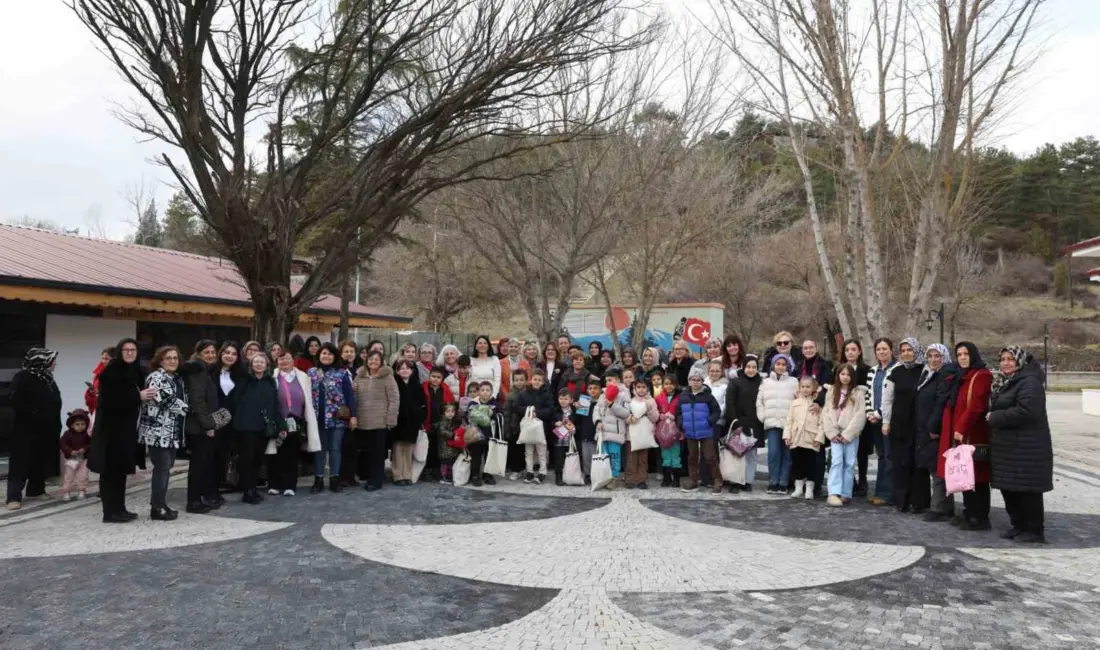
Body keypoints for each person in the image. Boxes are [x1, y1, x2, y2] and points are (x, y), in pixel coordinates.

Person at [988, 346, 1053, 543]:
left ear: (1020, 361)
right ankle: (1019, 525)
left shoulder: (1030, 382)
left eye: (1011, 359)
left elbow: (1027, 411)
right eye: (1003, 359)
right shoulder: (1006, 381)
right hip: (1009, 447)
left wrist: (995, 417)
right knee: (1010, 488)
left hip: (1027, 448)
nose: (1006, 363)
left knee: (1027, 490)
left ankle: (1034, 530)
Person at [89, 338, 153, 523]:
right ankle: (110, 512)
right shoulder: (110, 372)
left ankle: (120, 508)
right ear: (119, 352)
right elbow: (111, 401)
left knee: (121, 471)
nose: (130, 353)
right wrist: (137, 396)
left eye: (133, 350)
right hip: (110, 431)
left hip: (126, 430)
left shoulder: (135, 370)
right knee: (110, 472)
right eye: (126, 350)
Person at [936, 342, 994, 531]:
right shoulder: (961, 376)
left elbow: (976, 405)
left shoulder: (982, 375)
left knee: (978, 477)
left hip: (973, 433)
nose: (962, 357)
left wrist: (961, 427)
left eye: (966, 354)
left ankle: (980, 517)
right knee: (965, 474)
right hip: (960, 434)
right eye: (959, 354)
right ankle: (970, 512)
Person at [5, 348, 62, 510]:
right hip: (26, 429)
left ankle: (36, 490)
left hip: (46, 429)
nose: (55, 364)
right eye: (52, 361)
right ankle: (13, 496)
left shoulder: (47, 378)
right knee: (20, 462)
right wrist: (35, 413)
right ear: (41, 362)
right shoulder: (23, 377)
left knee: (40, 460)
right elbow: (15, 400)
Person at [138, 346, 189, 520]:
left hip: (170, 432)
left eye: (175, 358)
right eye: (168, 358)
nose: (173, 361)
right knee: (162, 467)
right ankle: (157, 508)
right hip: (156, 431)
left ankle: (159, 504)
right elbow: (164, 400)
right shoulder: (156, 377)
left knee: (166, 467)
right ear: (160, 360)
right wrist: (189, 409)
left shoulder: (175, 378)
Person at [232, 353, 286, 504]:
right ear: (251, 364)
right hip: (245, 425)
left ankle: (253, 488)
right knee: (247, 459)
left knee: (257, 459)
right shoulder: (244, 380)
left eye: (262, 362)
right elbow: (236, 401)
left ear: (267, 365)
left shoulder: (270, 382)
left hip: (263, 426)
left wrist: (281, 425)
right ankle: (246, 491)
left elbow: (275, 404)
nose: (259, 364)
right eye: (256, 361)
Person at [881, 338, 927, 513]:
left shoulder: (925, 370)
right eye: (903, 350)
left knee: (917, 463)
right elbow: (887, 399)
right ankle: (901, 500)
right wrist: (886, 421)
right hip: (899, 424)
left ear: (917, 351)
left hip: (918, 425)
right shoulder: (895, 371)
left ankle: (918, 501)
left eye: (910, 350)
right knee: (900, 462)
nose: (907, 353)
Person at [269, 350, 321, 496]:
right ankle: (275, 484)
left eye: (287, 358)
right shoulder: (272, 376)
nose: (284, 361)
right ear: (277, 361)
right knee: (275, 452)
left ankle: (290, 485)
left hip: (296, 419)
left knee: (292, 453)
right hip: (278, 419)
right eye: (281, 359)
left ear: (293, 360)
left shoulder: (303, 377)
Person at [309, 343, 357, 493]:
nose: (326, 356)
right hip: (317, 417)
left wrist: (353, 416)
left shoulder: (342, 373)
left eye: (330, 354)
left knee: (335, 448)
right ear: (319, 355)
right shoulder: (311, 373)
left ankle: (335, 479)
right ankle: (318, 479)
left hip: (338, 417)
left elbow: (349, 395)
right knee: (320, 449)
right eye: (324, 353)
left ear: (335, 356)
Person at [181, 340, 220, 514]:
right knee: (198, 465)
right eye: (207, 352)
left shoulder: (206, 369)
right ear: (198, 353)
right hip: (198, 426)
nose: (211, 355)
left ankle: (199, 498)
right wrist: (208, 425)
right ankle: (194, 502)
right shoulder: (197, 370)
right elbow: (197, 401)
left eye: (213, 352)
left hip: (202, 424)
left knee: (203, 464)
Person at [917, 344, 954, 522]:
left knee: (938, 468)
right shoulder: (929, 374)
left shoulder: (944, 375)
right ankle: (944, 506)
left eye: (937, 356)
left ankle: (939, 508)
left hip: (937, 429)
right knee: (935, 467)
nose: (933, 360)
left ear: (944, 357)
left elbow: (940, 402)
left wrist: (933, 427)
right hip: (927, 427)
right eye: (930, 356)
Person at [352, 351, 399, 491]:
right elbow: (353, 396)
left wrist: (391, 418)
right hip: (362, 421)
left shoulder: (388, 377)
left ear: (381, 361)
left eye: (377, 359)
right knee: (365, 452)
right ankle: (366, 476)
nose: (373, 361)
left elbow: (394, 399)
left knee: (377, 453)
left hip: (380, 421)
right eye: (371, 359)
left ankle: (376, 480)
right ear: (366, 360)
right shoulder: (359, 376)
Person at [823, 364, 867, 506]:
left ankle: (845, 492)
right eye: (842, 374)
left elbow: (860, 415)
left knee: (849, 463)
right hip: (835, 433)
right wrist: (832, 432)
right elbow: (826, 412)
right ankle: (833, 492)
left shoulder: (858, 393)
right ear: (838, 375)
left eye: (848, 374)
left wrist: (848, 434)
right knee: (836, 461)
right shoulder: (831, 391)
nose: (845, 377)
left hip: (850, 434)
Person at [677, 366, 722, 494]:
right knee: (692, 457)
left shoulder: (708, 396)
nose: (695, 382)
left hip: (706, 431)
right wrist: (682, 424)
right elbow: (678, 413)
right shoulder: (683, 396)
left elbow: (716, 411)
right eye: (693, 379)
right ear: (689, 380)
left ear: (702, 381)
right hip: (690, 431)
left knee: (710, 457)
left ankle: (717, 480)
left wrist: (709, 421)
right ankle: (693, 480)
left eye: (698, 379)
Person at [757, 353, 798, 494]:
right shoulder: (765, 382)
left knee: (787, 455)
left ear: (787, 366)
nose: (780, 366)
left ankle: (783, 483)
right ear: (773, 365)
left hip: (788, 424)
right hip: (772, 423)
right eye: (778, 364)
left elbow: (798, 401)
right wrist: (763, 417)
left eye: (783, 364)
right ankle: (773, 481)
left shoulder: (794, 381)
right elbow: (759, 402)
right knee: (773, 454)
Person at [864, 338, 897, 504]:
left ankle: (888, 495)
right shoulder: (873, 371)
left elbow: (894, 398)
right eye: (878, 349)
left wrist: (879, 413)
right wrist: (869, 413)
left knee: (890, 456)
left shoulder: (897, 370)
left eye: (885, 349)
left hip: (889, 420)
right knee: (881, 456)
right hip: (875, 421)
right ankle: (879, 492)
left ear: (891, 350)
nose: (881, 352)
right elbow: (868, 395)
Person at [725, 354, 764, 492]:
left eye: (754, 367)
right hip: (739, 422)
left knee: (752, 454)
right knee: (737, 453)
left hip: (756, 423)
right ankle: (735, 481)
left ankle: (748, 481)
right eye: (748, 367)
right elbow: (730, 402)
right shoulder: (735, 382)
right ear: (743, 367)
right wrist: (734, 419)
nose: (751, 370)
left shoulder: (761, 383)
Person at [784, 376, 824, 499]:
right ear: (799, 388)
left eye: (808, 387)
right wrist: (787, 435)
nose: (805, 389)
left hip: (811, 439)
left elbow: (822, 423)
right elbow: (789, 421)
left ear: (813, 388)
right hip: (796, 438)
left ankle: (809, 489)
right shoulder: (794, 403)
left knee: (811, 464)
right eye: (803, 386)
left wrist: (819, 438)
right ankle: (798, 488)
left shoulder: (817, 405)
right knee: (797, 464)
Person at [213, 342, 243, 497]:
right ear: (221, 354)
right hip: (213, 420)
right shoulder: (211, 372)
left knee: (224, 454)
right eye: (227, 353)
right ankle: (209, 490)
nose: (230, 356)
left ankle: (219, 487)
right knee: (210, 455)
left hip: (232, 421)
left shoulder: (239, 374)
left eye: (234, 354)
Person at [515, 368, 554, 484]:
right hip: (528, 427)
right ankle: (529, 472)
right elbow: (517, 407)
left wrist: (537, 413)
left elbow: (550, 409)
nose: (537, 382)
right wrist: (528, 411)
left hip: (541, 428)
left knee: (541, 451)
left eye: (539, 380)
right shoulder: (523, 394)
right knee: (528, 451)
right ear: (530, 380)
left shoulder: (547, 395)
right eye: (535, 379)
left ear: (543, 382)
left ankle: (542, 472)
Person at [390, 360, 426, 486]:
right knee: (398, 448)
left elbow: (421, 403)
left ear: (412, 370)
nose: (404, 370)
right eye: (402, 368)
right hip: (399, 421)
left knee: (409, 448)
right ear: (397, 371)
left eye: (407, 368)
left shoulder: (416, 385)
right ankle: (397, 475)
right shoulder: (394, 384)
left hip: (412, 421)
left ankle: (407, 474)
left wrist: (420, 416)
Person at [594, 371, 630, 482]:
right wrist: (597, 421)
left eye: (610, 380)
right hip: (603, 431)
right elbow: (596, 410)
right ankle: (604, 477)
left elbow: (626, 413)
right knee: (604, 456)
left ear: (618, 380)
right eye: (606, 381)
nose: (607, 383)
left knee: (615, 457)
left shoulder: (624, 394)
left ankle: (614, 478)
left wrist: (612, 405)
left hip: (615, 433)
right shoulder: (603, 394)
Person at [625, 379, 659, 489]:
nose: (641, 389)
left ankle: (641, 480)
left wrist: (650, 410)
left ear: (648, 388)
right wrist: (629, 418)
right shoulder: (629, 400)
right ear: (634, 388)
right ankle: (630, 479)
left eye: (644, 387)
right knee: (631, 459)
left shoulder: (651, 401)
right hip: (631, 434)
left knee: (643, 459)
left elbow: (655, 418)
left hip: (645, 433)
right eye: (638, 387)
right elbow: (624, 415)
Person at [423, 367, 456, 482]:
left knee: (439, 447)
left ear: (442, 378)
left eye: (438, 377)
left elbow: (450, 404)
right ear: (429, 376)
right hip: (428, 422)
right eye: (433, 376)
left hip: (441, 423)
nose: (435, 379)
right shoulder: (424, 387)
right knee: (428, 448)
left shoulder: (445, 390)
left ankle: (437, 470)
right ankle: (427, 470)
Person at [466, 381, 500, 486]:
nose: (485, 392)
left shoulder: (495, 404)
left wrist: (492, 413)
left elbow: (499, 416)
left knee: (489, 457)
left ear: (491, 392)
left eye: (487, 390)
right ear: (479, 392)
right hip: (476, 436)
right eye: (482, 390)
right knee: (476, 456)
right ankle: (475, 475)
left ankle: (488, 475)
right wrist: (472, 416)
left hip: (490, 435)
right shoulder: (473, 403)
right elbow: (468, 416)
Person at [58, 409, 92, 501]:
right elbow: (62, 444)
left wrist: (84, 449)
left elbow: (90, 444)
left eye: (83, 424)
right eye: (77, 424)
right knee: (69, 476)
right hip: (71, 460)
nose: (80, 427)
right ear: (72, 425)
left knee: (83, 476)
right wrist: (70, 451)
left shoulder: (86, 435)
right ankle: (66, 491)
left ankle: (82, 490)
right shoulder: (67, 434)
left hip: (83, 459)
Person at [656, 374, 683, 488]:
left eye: (671, 384)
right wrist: (660, 415)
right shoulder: (658, 398)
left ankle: (676, 478)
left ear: (675, 385)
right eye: (666, 384)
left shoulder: (681, 397)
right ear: (663, 385)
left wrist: (675, 417)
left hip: (676, 431)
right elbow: (655, 412)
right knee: (665, 454)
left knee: (675, 454)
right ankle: (666, 477)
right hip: (663, 432)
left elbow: (683, 413)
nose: (668, 386)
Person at [575, 377, 603, 484]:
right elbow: (578, 419)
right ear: (587, 390)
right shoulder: (584, 402)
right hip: (585, 433)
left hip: (596, 434)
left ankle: (596, 474)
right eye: (590, 388)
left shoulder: (601, 403)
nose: (592, 390)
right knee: (586, 456)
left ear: (600, 390)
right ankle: (587, 474)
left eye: (595, 388)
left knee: (595, 456)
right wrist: (577, 408)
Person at [548, 389, 576, 486]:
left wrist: (574, 429)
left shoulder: (574, 411)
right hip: (558, 440)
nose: (563, 401)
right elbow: (549, 421)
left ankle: (569, 475)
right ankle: (558, 476)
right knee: (558, 460)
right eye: (561, 398)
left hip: (570, 440)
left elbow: (579, 423)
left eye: (565, 399)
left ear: (571, 400)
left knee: (570, 459)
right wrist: (554, 423)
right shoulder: (555, 410)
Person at [436, 403, 463, 483]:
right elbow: (443, 431)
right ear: (443, 413)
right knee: (445, 463)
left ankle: (448, 477)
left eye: (452, 411)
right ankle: (444, 477)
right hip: (444, 448)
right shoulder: (443, 422)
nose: (450, 413)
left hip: (450, 447)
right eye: (448, 411)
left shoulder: (451, 421)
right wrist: (453, 435)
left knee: (450, 462)